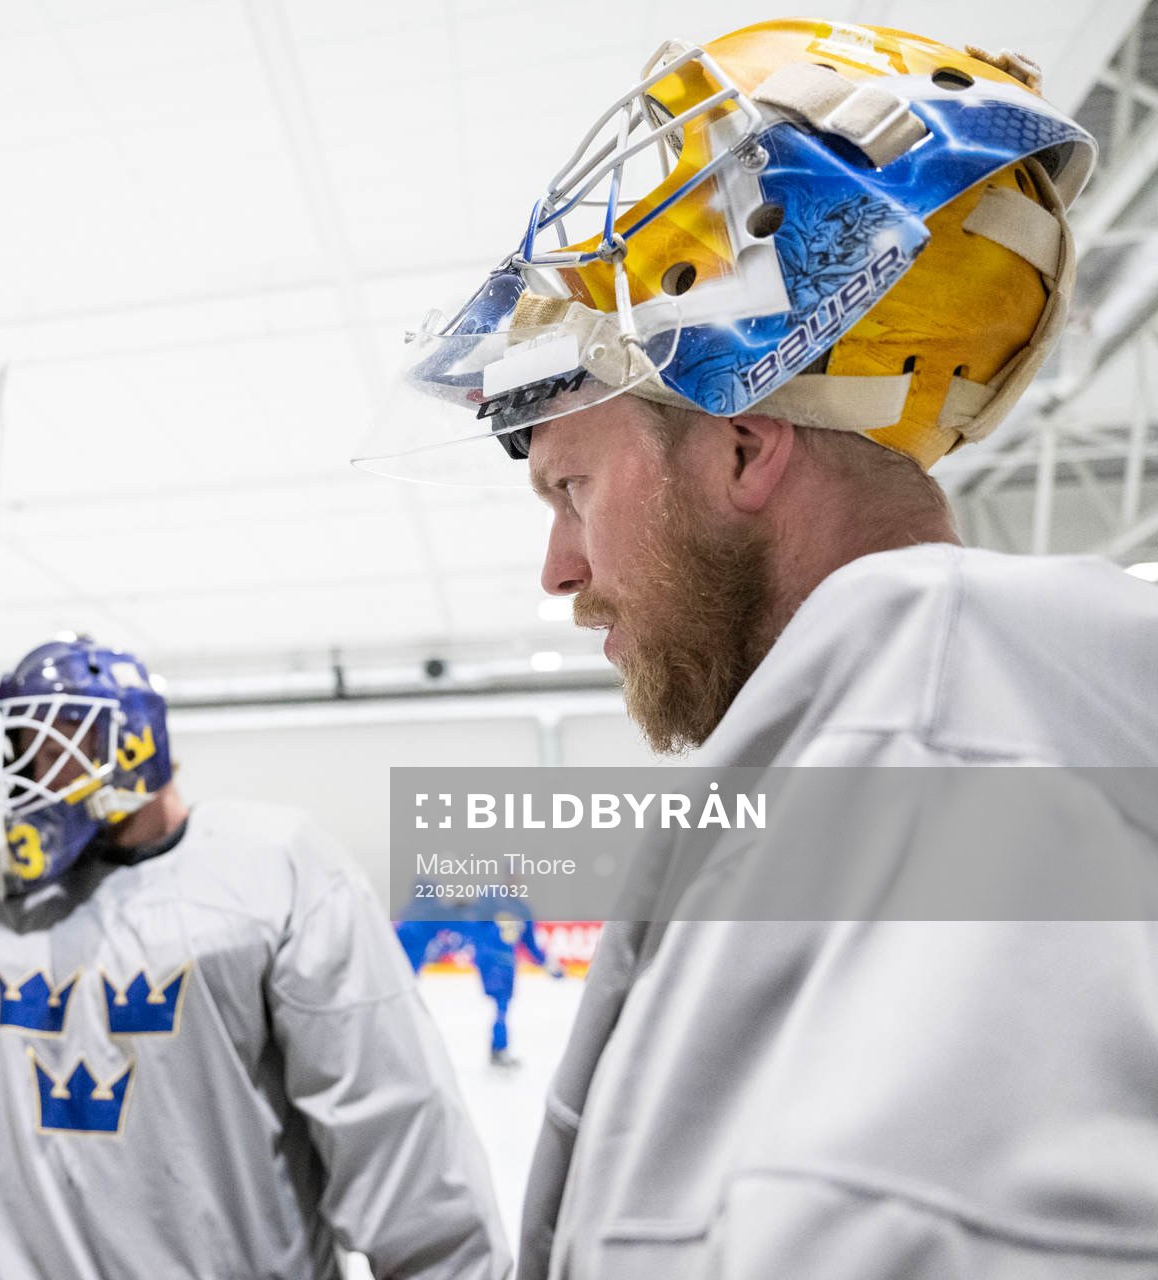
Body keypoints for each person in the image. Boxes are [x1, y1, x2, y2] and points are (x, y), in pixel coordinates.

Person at [360, 19, 1158, 1278]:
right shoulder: (888, 756)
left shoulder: (932, 764)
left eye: (572, 487)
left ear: (743, 448)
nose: (560, 569)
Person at [0, 634, 512, 1279]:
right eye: (16, 747)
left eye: (50, 742)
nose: (26, 772)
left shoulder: (275, 869)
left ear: (131, 738)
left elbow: (400, 1142)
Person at [397, 896, 562, 1068]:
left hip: (501, 963)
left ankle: (498, 1048)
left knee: (502, 1006)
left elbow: (528, 943)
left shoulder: (515, 907)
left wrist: (547, 964)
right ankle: (499, 1048)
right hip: (495, 963)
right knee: (502, 1006)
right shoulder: (502, 904)